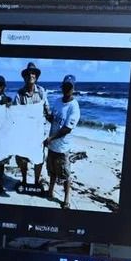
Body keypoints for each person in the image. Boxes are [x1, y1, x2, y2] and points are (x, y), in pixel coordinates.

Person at [13, 61, 51, 190]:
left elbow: (47, 109)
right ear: (24, 77)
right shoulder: (19, 94)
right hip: (24, 132)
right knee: (22, 158)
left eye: (33, 73)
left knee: (39, 158)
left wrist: (53, 118)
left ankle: (36, 181)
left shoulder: (41, 92)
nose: (31, 75)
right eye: (28, 73)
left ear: (36, 76)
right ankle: (24, 180)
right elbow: (15, 114)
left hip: (39, 132)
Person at [45, 75, 81, 209]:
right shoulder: (57, 101)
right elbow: (54, 119)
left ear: (73, 88)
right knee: (52, 171)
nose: (67, 89)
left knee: (65, 175)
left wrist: (50, 138)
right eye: (65, 86)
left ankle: (66, 199)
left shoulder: (74, 107)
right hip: (52, 145)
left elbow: (66, 129)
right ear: (62, 87)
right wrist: (47, 116)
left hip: (63, 148)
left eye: (69, 87)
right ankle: (50, 191)